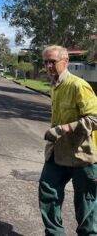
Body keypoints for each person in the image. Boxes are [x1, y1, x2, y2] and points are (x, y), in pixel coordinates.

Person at [39, 45, 97, 236]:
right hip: (58, 154)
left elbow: (94, 118)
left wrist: (63, 128)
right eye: (46, 62)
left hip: (82, 156)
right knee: (48, 192)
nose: (48, 66)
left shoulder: (77, 85)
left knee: (86, 206)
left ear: (65, 62)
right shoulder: (55, 86)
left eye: (53, 62)